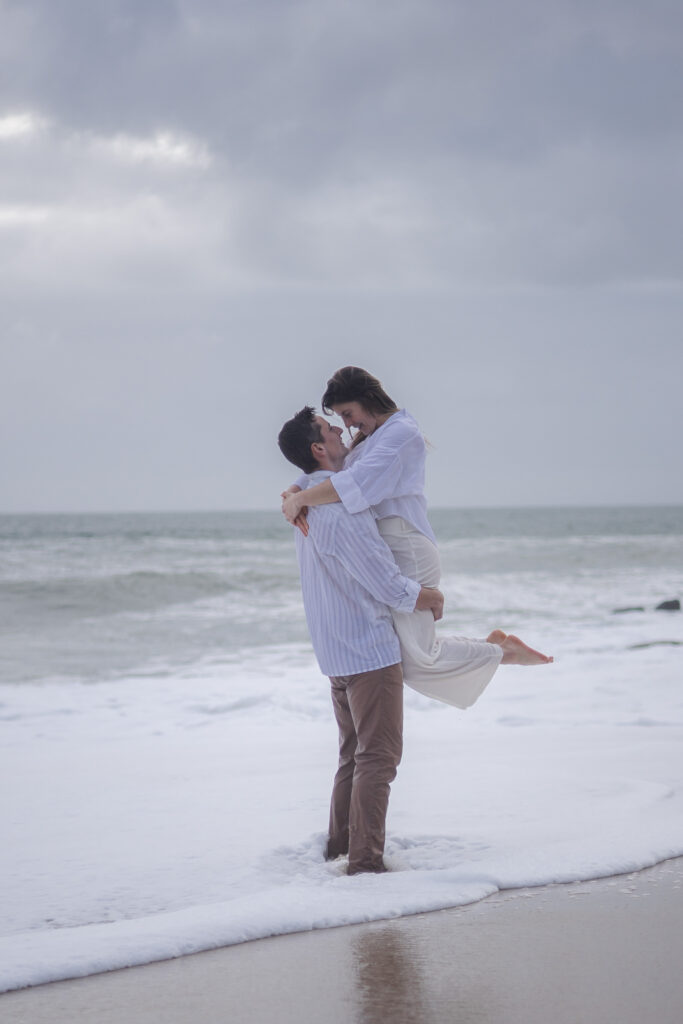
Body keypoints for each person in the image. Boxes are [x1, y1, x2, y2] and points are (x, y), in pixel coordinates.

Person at [282, 367, 552, 710]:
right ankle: (498, 649)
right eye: (340, 418)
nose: (347, 425)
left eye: (348, 414)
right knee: (402, 658)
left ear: (366, 400)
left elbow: (352, 483)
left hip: (406, 544)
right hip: (388, 547)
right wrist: (293, 490)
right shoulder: (369, 437)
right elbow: (325, 468)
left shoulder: (401, 433)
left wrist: (300, 500)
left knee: (414, 660)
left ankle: (501, 652)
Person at [277, 406, 444, 875]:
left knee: (354, 754)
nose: (342, 433)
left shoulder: (308, 502)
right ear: (319, 448)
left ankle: (338, 850)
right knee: (379, 757)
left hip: (334, 653)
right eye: (333, 429)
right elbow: (387, 584)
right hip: (368, 652)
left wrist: (292, 493)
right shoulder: (336, 509)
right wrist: (430, 596)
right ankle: (365, 863)